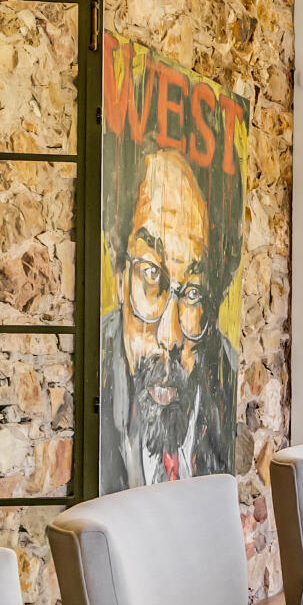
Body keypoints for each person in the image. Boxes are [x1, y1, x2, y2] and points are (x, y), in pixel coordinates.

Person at [100, 147, 237, 489]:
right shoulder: (94, 375)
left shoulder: (228, 377)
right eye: (150, 274)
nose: (170, 336)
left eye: (193, 293)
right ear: (119, 278)